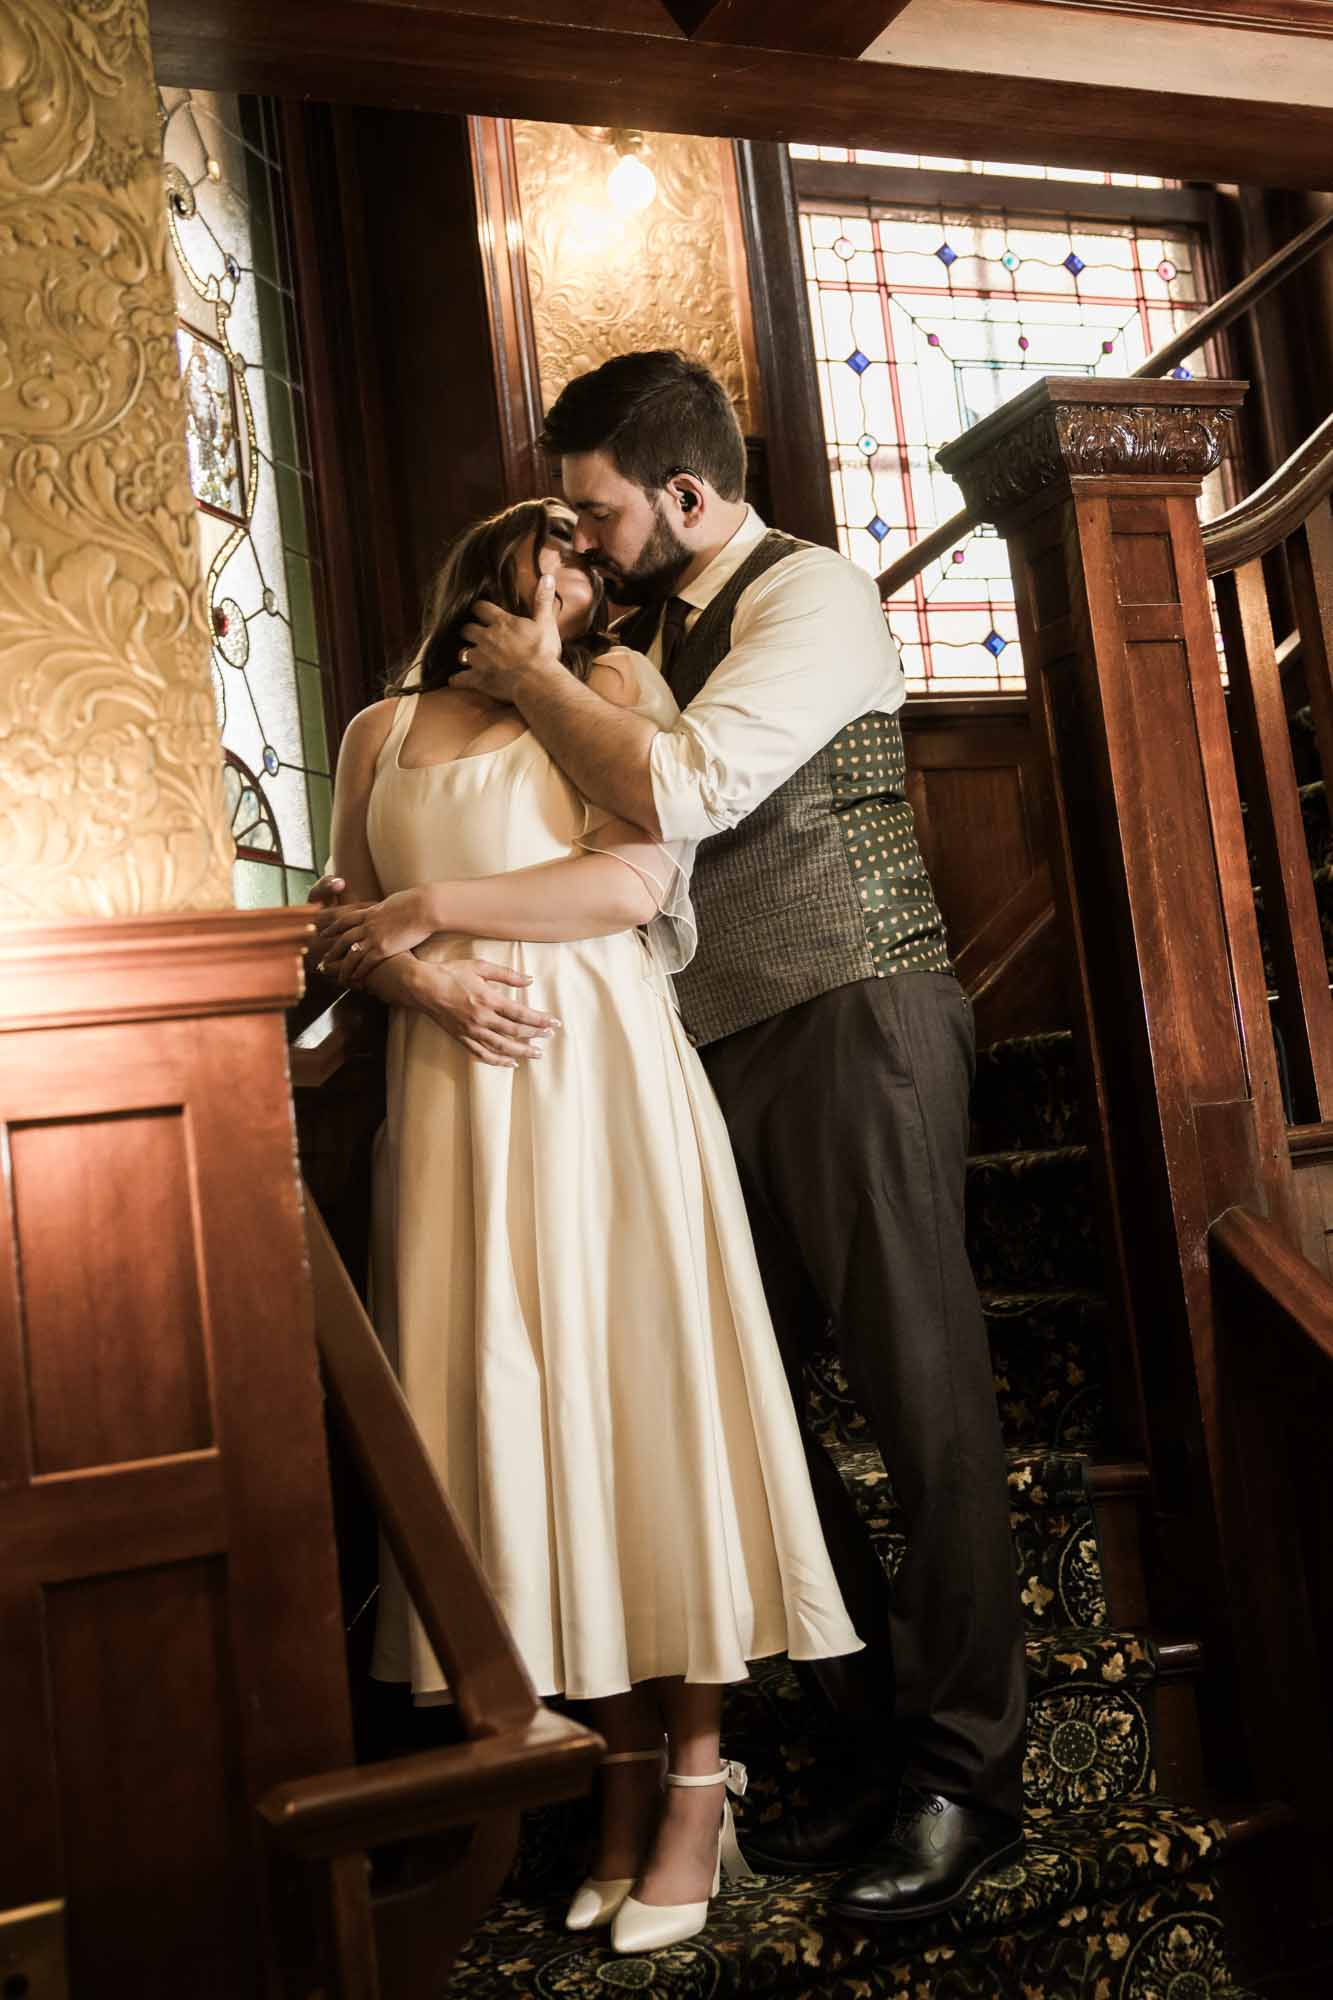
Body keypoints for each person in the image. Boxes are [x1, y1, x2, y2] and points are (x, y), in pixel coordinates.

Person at [442, 350, 1027, 1926]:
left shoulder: (812, 594)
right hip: (698, 1056)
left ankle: (968, 1777)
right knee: (737, 1400)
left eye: (599, 508)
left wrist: (533, 682)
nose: (586, 535)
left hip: (856, 1015)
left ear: (686, 494)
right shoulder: (631, 635)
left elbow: (692, 785)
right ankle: (864, 1733)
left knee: (920, 1400)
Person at [314, 496, 862, 1957]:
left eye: (590, 563)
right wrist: (417, 975)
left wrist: (434, 903)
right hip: (452, 1098)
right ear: (485, 565)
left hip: (596, 1078)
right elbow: (349, 928)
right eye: (555, 552)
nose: (581, 578)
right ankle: (613, 1778)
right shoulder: (374, 733)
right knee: (518, 1416)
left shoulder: (610, 693)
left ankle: (695, 1780)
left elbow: (632, 878)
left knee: (636, 1403)